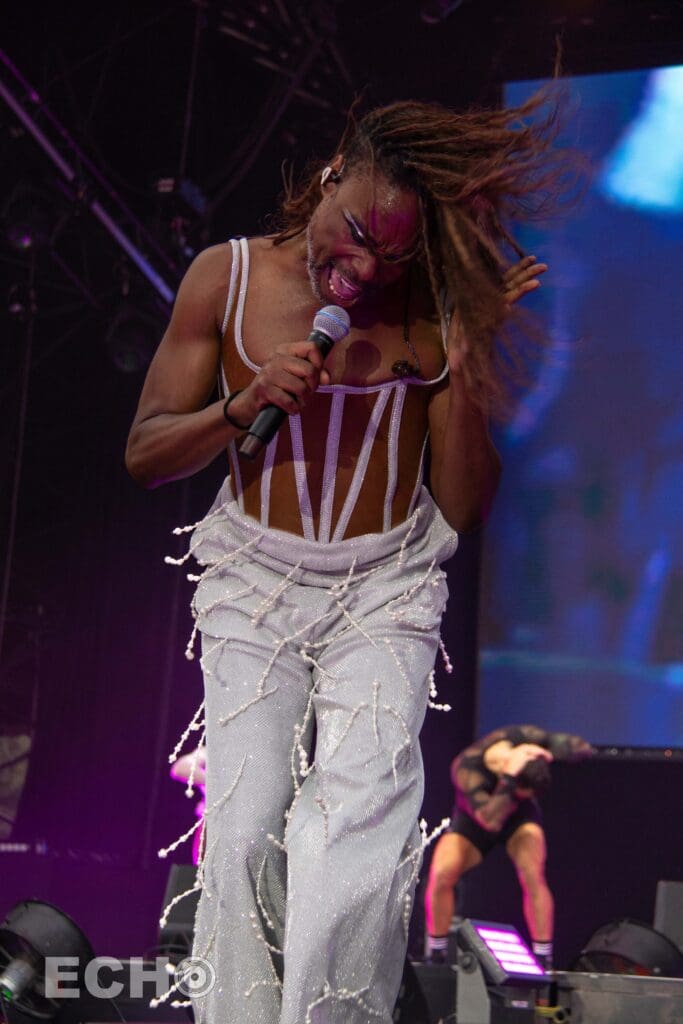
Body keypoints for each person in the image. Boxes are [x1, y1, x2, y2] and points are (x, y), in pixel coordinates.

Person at [126, 97, 563, 1023]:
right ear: (330, 177)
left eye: (393, 256)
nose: (363, 269)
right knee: (243, 830)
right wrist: (236, 408)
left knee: (350, 835)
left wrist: (465, 369)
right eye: (357, 233)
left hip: (386, 588)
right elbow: (146, 451)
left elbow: (463, 506)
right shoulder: (228, 276)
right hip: (254, 580)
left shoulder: (431, 312)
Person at [424, 724, 594, 970]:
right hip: (476, 819)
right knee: (441, 874)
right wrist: (509, 779)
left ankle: (543, 958)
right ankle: (436, 955)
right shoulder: (466, 767)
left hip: (518, 819)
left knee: (532, 872)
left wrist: (547, 750)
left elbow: (582, 747)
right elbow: (489, 821)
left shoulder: (521, 737)